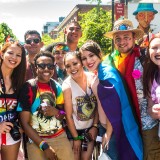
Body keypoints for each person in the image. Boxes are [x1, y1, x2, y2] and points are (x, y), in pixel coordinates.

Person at [79, 40, 143, 160]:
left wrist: (108, 132)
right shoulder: (101, 72)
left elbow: (112, 108)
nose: (88, 61)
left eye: (91, 55)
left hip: (113, 127)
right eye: (84, 58)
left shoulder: (106, 74)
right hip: (107, 125)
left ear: (99, 54)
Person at [17, 51, 74, 160]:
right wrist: (44, 146)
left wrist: (56, 112)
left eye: (50, 66)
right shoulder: (28, 88)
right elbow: (24, 123)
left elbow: (63, 114)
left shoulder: (57, 87)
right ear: (35, 67)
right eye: (42, 66)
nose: (46, 69)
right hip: (36, 141)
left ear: (54, 67)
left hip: (59, 138)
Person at [62, 51, 99, 160]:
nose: (72, 68)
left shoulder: (93, 78)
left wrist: (95, 126)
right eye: (68, 66)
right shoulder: (67, 86)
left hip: (90, 131)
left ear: (82, 63)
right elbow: (68, 116)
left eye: (75, 63)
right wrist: (76, 137)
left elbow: (98, 105)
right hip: (74, 132)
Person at [0, 41, 26, 160]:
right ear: (1, 54)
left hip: (11, 133)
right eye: (10, 53)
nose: (14, 58)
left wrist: (21, 126)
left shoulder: (19, 81)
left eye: (18, 55)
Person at [142, 36, 160, 160]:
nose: (158, 51)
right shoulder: (151, 76)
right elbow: (149, 106)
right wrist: (153, 111)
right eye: (154, 48)